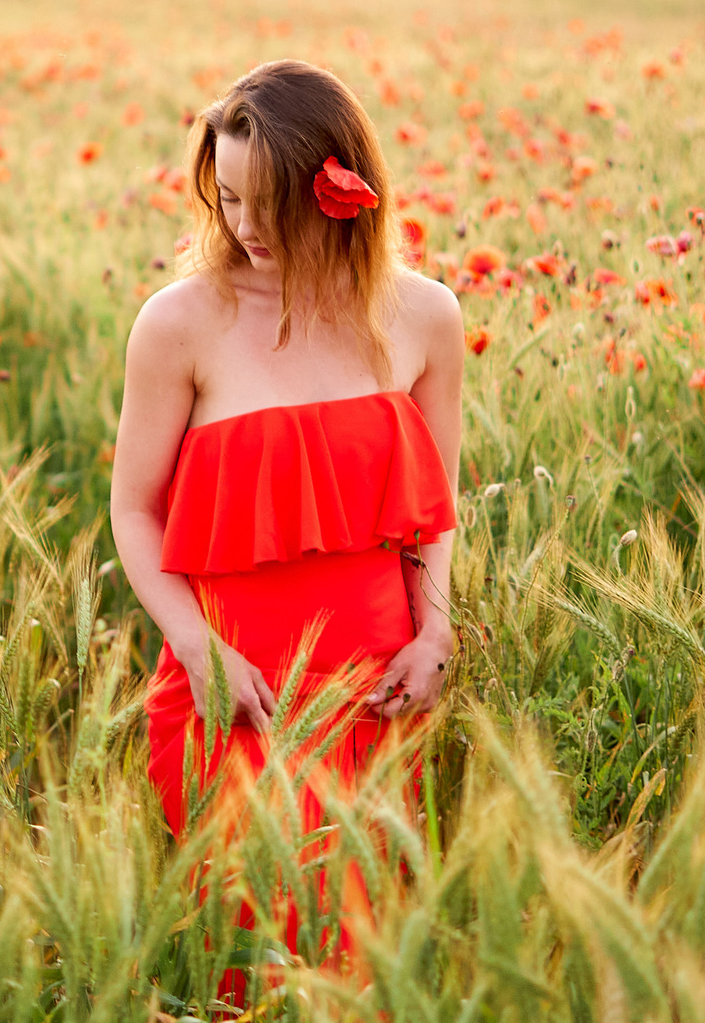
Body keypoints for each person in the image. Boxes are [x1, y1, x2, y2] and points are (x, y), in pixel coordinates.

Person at [111, 58, 464, 859]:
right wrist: (198, 650)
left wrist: (435, 631)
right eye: (228, 198)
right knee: (246, 954)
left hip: (381, 693)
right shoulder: (178, 324)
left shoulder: (423, 316)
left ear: (338, 189)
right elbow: (135, 511)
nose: (245, 227)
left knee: (367, 960)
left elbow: (437, 502)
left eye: (269, 205)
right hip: (235, 691)